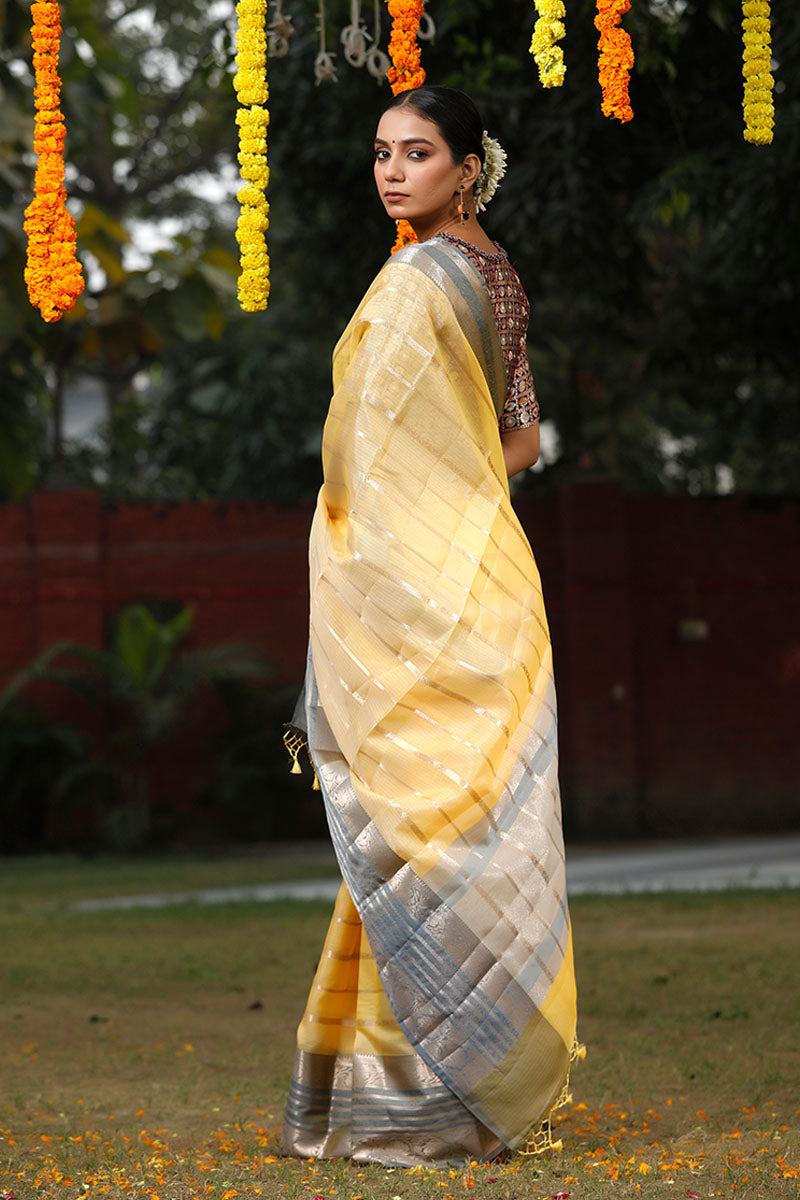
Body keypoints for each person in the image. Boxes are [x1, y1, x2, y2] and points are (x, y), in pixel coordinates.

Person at [282, 84, 580, 1167]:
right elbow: (522, 440)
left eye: (416, 154)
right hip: (490, 580)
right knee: (464, 834)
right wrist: (458, 523)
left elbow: (369, 462)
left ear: (467, 167)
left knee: (424, 835)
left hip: (421, 588)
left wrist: (403, 533)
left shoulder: (416, 279)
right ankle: (451, 1097)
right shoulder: (495, 276)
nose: (391, 172)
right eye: (379, 154)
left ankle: (418, 1104)